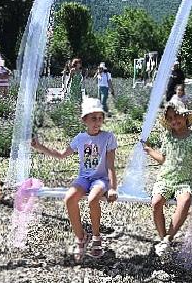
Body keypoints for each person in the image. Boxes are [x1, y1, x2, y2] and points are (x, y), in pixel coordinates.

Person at [31, 97, 118, 261]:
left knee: (93, 199)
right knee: (69, 198)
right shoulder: (80, 138)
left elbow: (111, 166)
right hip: (84, 178)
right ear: (84, 120)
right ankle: (80, 237)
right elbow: (61, 154)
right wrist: (40, 146)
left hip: (100, 179)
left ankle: (96, 237)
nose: (97, 122)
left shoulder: (108, 137)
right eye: (93, 118)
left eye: (100, 118)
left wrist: (113, 188)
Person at [142, 98, 192, 257]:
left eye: (176, 116)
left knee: (184, 201)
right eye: (169, 118)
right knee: (156, 203)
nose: (173, 120)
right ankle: (164, 241)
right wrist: (149, 150)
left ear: (185, 117)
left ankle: (168, 238)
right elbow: (163, 159)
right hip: (165, 179)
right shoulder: (167, 136)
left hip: (184, 181)